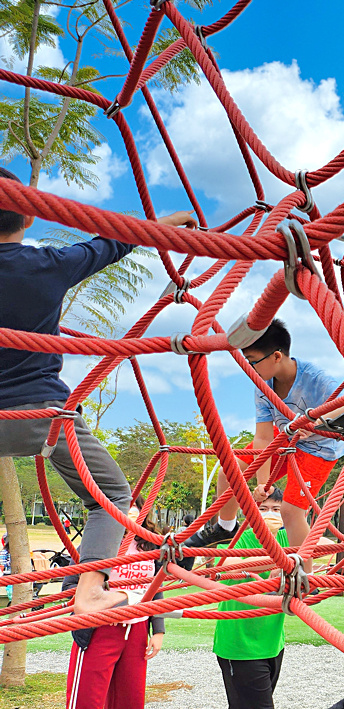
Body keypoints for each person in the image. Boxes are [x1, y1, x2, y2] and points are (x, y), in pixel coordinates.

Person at [0, 167, 195, 616]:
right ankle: (90, 590)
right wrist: (160, 226)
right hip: (43, 418)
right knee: (110, 496)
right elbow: (110, 243)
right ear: (29, 217)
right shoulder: (47, 265)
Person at [184, 319, 344, 575]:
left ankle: (303, 574)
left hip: (319, 446)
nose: (249, 368)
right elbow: (262, 438)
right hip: (283, 438)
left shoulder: (316, 378)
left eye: (252, 360)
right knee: (229, 469)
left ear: (276, 356)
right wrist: (263, 482)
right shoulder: (262, 384)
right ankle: (224, 527)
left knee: (291, 510)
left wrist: (317, 421)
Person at [58, 501, 166, 709]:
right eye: (125, 507)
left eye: (135, 508)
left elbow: (155, 587)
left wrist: (157, 630)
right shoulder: (99, 544)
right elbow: (70, 586)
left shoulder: (148, 544)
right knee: (85, 705)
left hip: (136, 630)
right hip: (100, 630)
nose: (130, 513)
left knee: (130, 702)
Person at [211, 487, 306, 709]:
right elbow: (231, 571)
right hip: (239, 648)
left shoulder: (284, 542)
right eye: (263, 508)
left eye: (277, 509)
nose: (270, 514)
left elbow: (310, 550)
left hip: (270, 644)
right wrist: (271, 575)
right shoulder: (235, 542)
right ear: (248, 511)